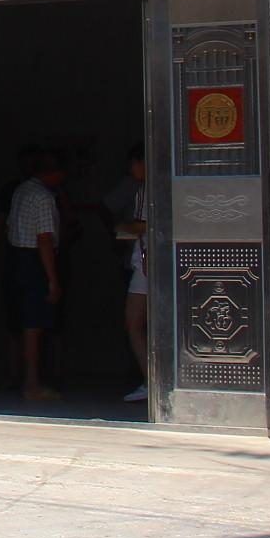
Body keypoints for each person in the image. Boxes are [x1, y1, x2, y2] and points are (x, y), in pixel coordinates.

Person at [4, 149, 65, 402]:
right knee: (33, 324)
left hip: (17, 257)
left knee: (24, 320)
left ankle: (21, 376)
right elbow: (44, 239)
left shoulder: (21, 191)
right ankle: (32, 384)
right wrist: (53, 278)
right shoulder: (43, 197)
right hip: (33, 261)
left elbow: (8, 226)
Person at [116, 143, 150, 404]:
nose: (131, 170)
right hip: (153, 264)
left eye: (133, 164)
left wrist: (123, 226)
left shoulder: (146, 190)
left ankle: (151, 379)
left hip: (147, 265)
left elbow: (142, 226)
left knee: (134, 322)